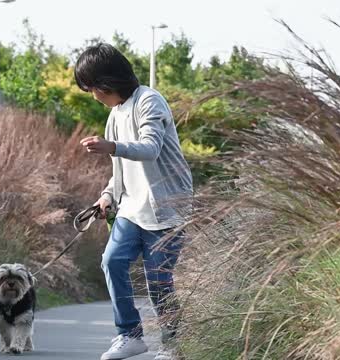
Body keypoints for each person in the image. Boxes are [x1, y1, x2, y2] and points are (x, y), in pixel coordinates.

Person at [75, 43, 193, 360]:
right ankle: (130, 334)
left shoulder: (149, 100)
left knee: (158, 280)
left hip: (168, 208)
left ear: (105, 83)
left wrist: (112, 146)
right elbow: (121, 172)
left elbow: (149, 148)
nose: (92, 95)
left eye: (90, 88)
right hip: (131, 209)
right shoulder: (115, 115)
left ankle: (172, 345)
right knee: (111, 260)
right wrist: (107, 196)